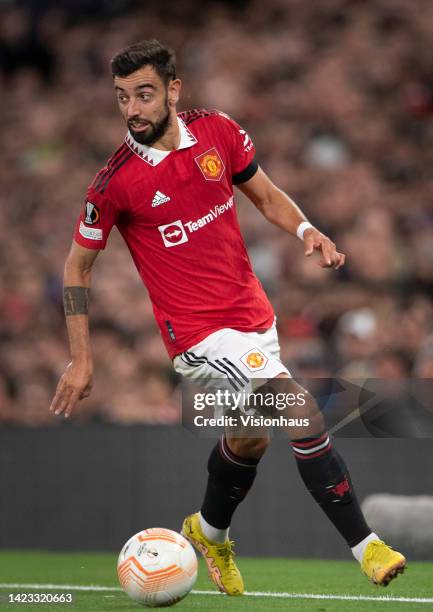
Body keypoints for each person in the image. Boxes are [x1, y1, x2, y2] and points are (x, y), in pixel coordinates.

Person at [50, 39, 405, 595]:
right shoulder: (114, 182)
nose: (132, 109)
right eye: (122, 98)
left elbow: (264, 196)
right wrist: (81, 356)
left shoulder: (216, 130)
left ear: (172, 90)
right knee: (297, 406)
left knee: (249, 439)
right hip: (196, 336)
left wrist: (307, 230)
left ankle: (209, 532)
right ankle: (367, 546)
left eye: (144, 94)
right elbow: (77, 268)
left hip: (252, 319)